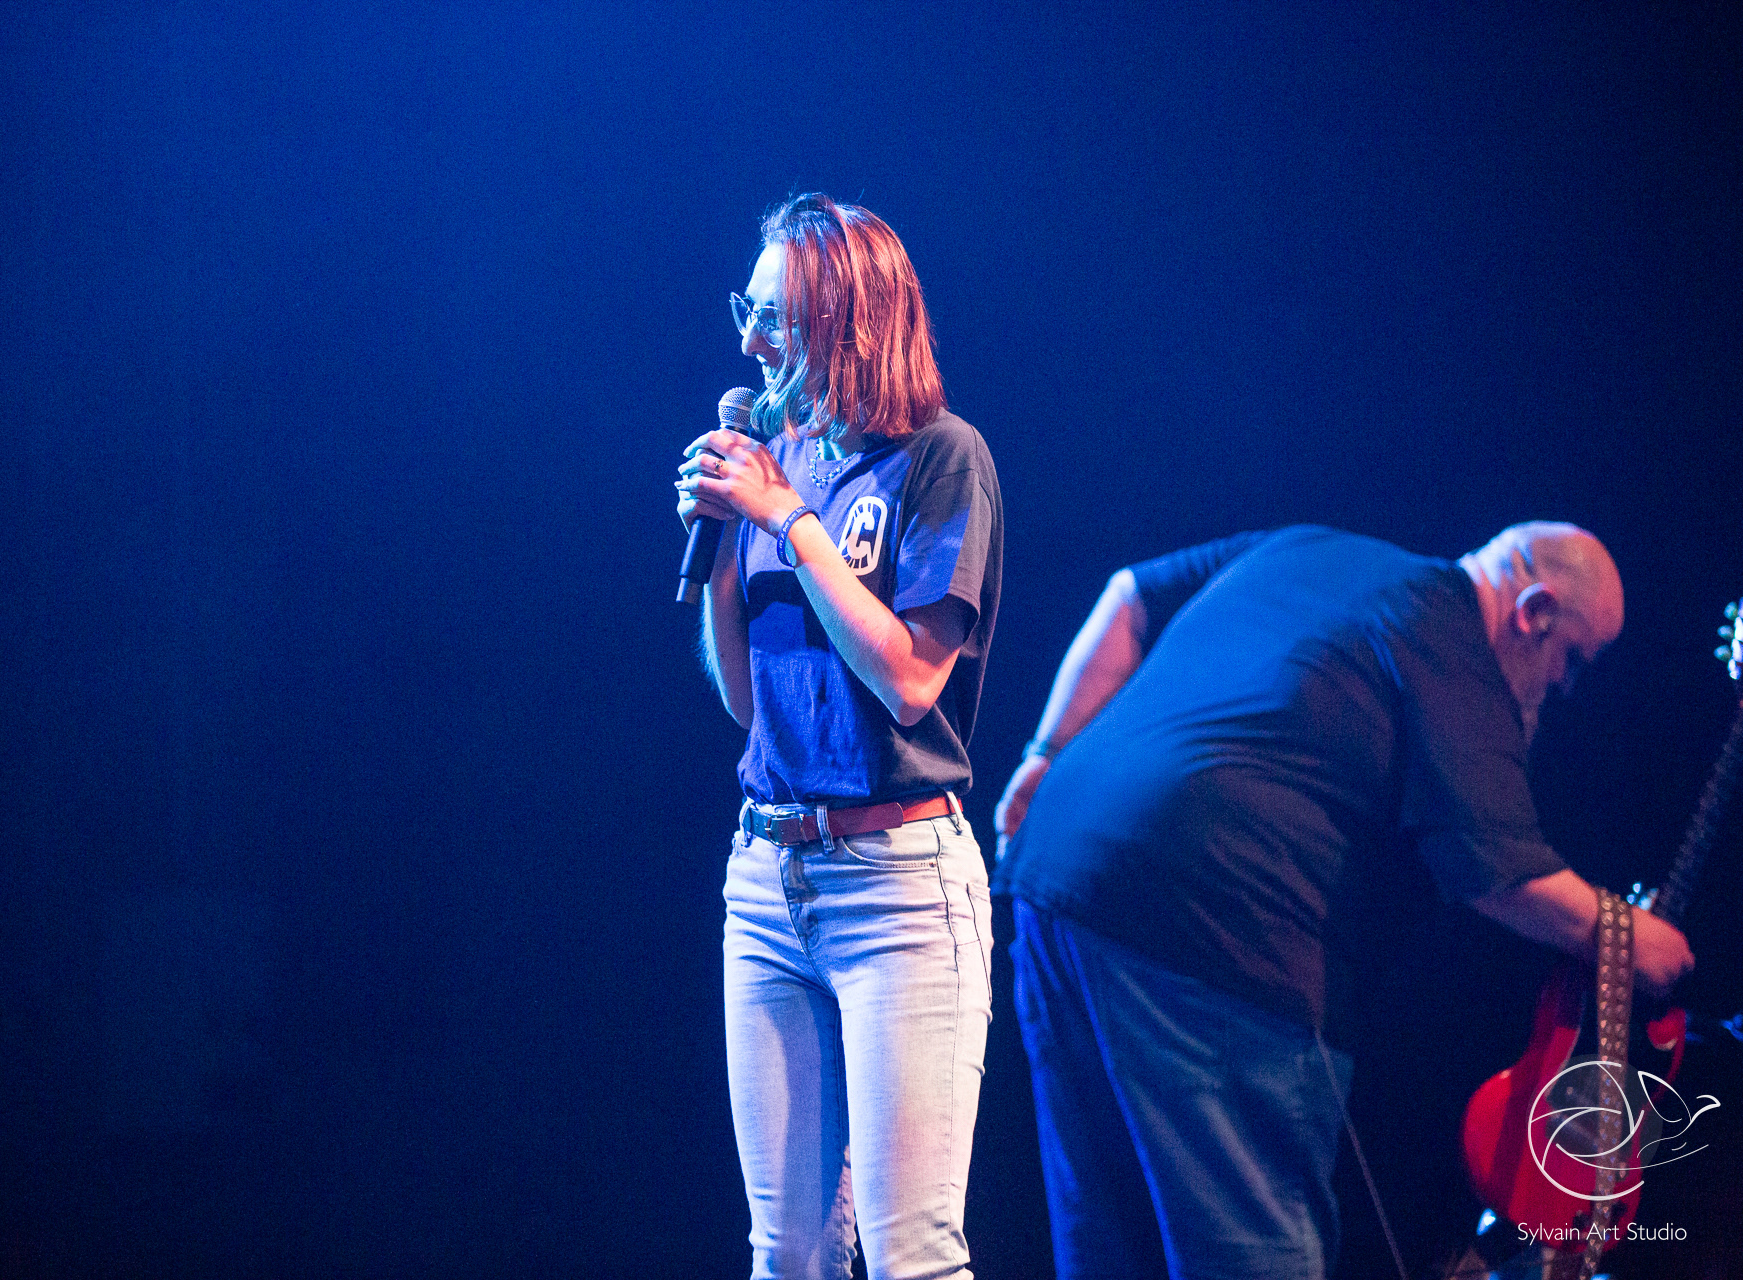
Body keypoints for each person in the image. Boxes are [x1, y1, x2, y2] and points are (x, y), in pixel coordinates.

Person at [988, 523, 1694, 1280]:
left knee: (1110, 1242)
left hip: (1058, 877)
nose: (1563, 688)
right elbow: (1502, 872)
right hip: (1216, 928)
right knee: (1255, 1256)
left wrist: (1044, 754)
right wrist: (1630, 934)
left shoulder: (1308, 547)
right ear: (1535, 612)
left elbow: (1128, 595)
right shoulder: (1453, 638)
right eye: (1571, 662)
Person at [673, 193, 1003, 1280]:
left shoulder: (941, 458)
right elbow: (744, 702)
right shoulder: (779, 463)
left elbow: (909, 681)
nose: (750, 343)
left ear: (847, 320)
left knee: (914, 1255)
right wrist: (722, 552)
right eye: (747, 311)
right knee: (789, 1254)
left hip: (897, 884)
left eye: (773, 316)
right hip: (768, 881)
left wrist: (787, 521)